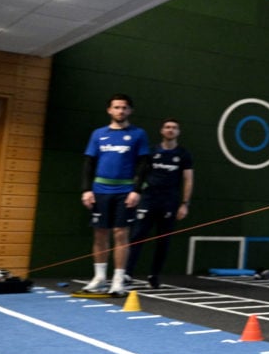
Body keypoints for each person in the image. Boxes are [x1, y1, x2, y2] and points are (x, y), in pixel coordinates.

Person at [81, 94, 150, 295]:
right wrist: (86, 189)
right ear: (109, 110)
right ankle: (100, 277)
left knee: (121, 233)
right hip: (100, 190)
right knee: (100, 233)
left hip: (125, 191)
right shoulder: (98, 134)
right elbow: (89, 163)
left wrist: (137, 191)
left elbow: (144, 164)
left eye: (124, 108)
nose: (120, 111)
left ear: (130, 111)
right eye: (116, 107)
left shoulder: (138, 134)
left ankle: (118, 279)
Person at [125, 118, 194, 289]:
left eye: (174, 128)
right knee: (136, 237)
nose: (170, 130)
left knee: (163, 241)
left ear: (178, 132)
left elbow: (188, 180)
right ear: (162, 131)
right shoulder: (151, 151)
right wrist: (136, 192)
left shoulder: (183, 154)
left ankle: (154, 275)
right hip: (148, 199)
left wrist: (184, 203)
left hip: (169, 202)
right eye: (167, 127)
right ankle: (127, 273)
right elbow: (140, 175)